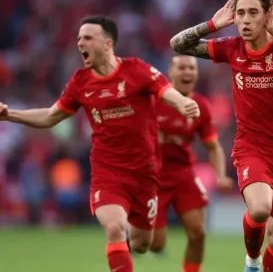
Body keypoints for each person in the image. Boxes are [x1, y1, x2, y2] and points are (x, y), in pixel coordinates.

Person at [0, 15, 199, 272]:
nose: (80, 43)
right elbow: (50, 116)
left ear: (107, 44)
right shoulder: (80, 82)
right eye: (79, 38)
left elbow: (166, 91)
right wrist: (10, 114)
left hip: (145, 173)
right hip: (108, 171)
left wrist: (183, 103)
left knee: (140, 244)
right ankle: (119, 237)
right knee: (114, 227)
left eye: (88, 38)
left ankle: (129, 238)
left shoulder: (137, 70)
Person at [169, 0, 273, 271]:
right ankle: (252, 259)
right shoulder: (232, 48)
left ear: (266, 16)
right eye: (240, 14)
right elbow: (178, 44)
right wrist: (213, 24)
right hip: (252, 148)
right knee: (260, 209)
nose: (245, 20)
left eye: (252, 13)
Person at [149, 54, 234, 272]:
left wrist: (221, 175)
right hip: (152, 177)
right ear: (170, 72)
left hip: (183, 174)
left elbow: (213, 147)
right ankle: (136, 234)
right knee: (154, 243)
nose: (187, 72)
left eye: (192, 68)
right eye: (182, 68)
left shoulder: (201, 106)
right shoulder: (152, 101)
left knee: (198, 232)